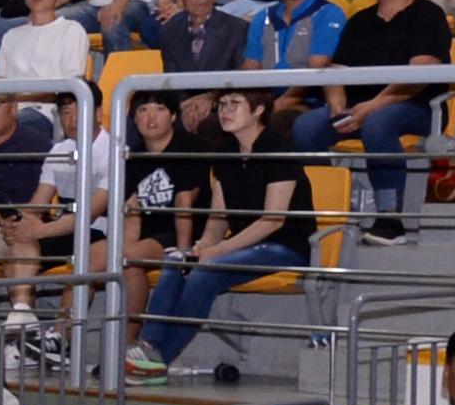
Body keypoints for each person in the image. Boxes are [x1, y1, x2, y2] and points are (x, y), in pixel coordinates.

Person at [128, 87, 315, 377]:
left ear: (258, 110)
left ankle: (157, 360)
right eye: (222, 104)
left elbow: (273, 220)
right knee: (177, 261)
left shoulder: (278, 149)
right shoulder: (226, 151)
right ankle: (147, 345)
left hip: (284, 245)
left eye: (234, 104)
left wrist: (216, 252)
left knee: (207, 270)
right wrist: (201, 246)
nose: (225, 111)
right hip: (240, 246)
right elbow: (218, 218)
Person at [293, 0, 447, 244]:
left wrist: (370, 107)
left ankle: (390, 219)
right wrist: (337, 104)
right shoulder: (360, 20)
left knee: (380, 123)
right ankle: (331, 204)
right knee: (306, 126)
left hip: (414, 106)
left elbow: (419, 75)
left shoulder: (428, 14)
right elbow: (336, 70)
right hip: (360, 107)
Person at [154, 0, 248, 75]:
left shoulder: (237, 29)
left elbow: (240, 78)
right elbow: (171, 83)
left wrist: (211, 94)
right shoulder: (169, 32)